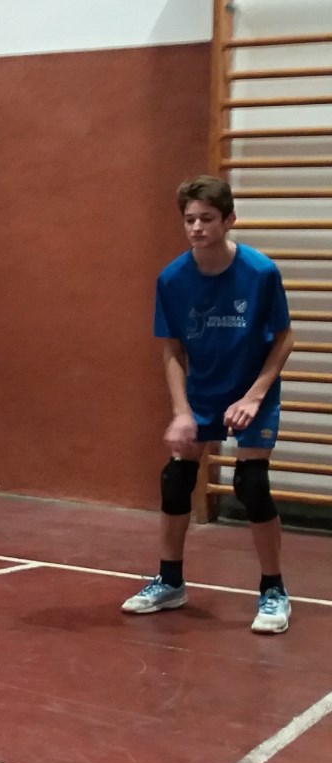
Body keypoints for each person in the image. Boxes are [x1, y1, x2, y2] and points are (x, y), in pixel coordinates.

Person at [124, 176, 294, 635]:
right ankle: (170, 581)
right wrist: (182, 411)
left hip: (252, 390)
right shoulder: (173, 279)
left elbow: (284, 338)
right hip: (203, 391)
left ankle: (274, 589)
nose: (197, 227)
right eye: (189, 219)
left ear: (229, 220)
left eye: (207, 218)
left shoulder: (260, 272)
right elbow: (172, 350)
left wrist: (254, 396)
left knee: (251, 484)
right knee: (176, 480)